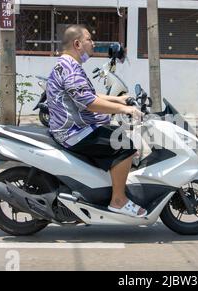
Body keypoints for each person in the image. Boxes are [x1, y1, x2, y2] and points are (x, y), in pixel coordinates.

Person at [46, 24, 146, 218]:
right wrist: (124, 109)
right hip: (74, 132)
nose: (93, 43)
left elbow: (88, 94)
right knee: (125, 145)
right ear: (77, 44)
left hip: (75, 128)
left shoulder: (66, 65)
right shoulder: (71, 70)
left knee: (114, 136)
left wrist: (117, 99)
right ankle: (118, 201)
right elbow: (90, 103)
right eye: (89, 39)